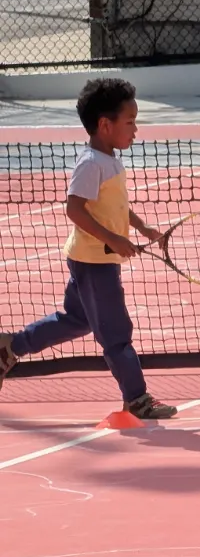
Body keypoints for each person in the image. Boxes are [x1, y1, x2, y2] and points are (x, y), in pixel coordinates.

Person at [0, 77, 176, 420]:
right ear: (105, 125)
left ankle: (10, 346)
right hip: (94, 263)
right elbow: (74, 209)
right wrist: (113, 239)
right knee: (116, 334)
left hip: (90, 259)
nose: (135, 129)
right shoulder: (91, 163)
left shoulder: (109, 159)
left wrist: (140, 227)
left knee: (77, 320)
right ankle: (137, 398)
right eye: (130, 122)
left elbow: (113, 207)